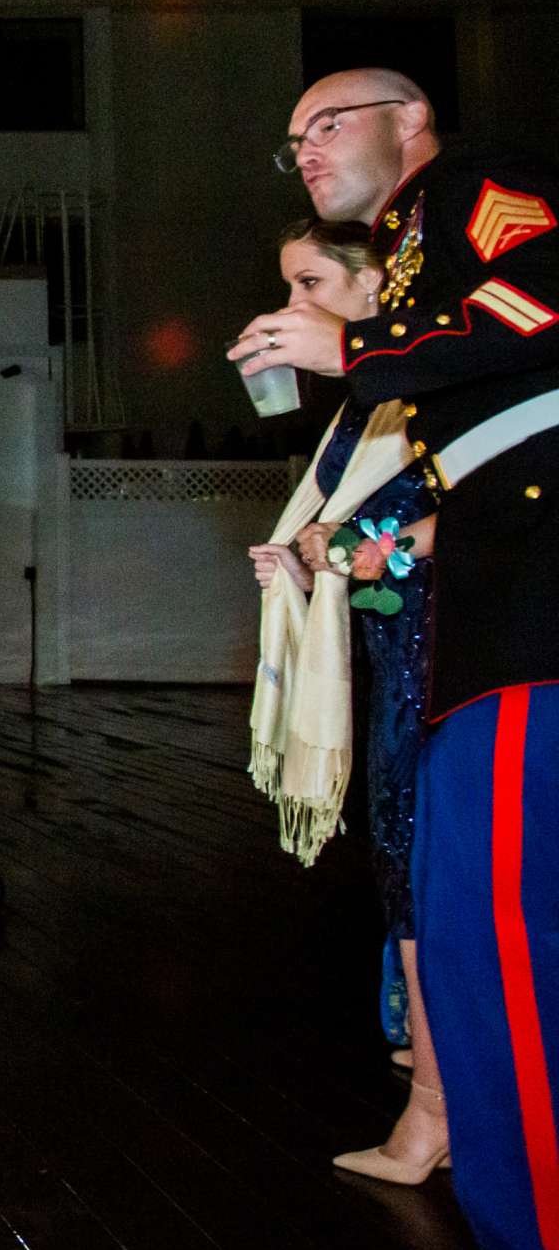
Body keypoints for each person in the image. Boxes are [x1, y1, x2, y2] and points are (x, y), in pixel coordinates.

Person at [233, 68, 559, 1250]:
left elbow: (538, 307)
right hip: (485, 615)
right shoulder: (413, 252)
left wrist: (358, 341)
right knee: (470, 938)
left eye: (330, 123)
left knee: (508, 942)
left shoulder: (476, 188)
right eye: (294, 137)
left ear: (410, 123)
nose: (308, 149)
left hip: (530, 605)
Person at [245, 216, 445, 1183]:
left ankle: (436, 1112)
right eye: (288, 288)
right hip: (399, 662)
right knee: (403, 859)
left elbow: (435, 525)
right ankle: (431, 1088)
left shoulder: (422, 399)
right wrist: (303, 561)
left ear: (376, 297)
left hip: (448, 666)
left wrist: (352, 548)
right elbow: (367, 553)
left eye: (312, 284)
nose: (293, 309)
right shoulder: (357, 414)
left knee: (430, 867)